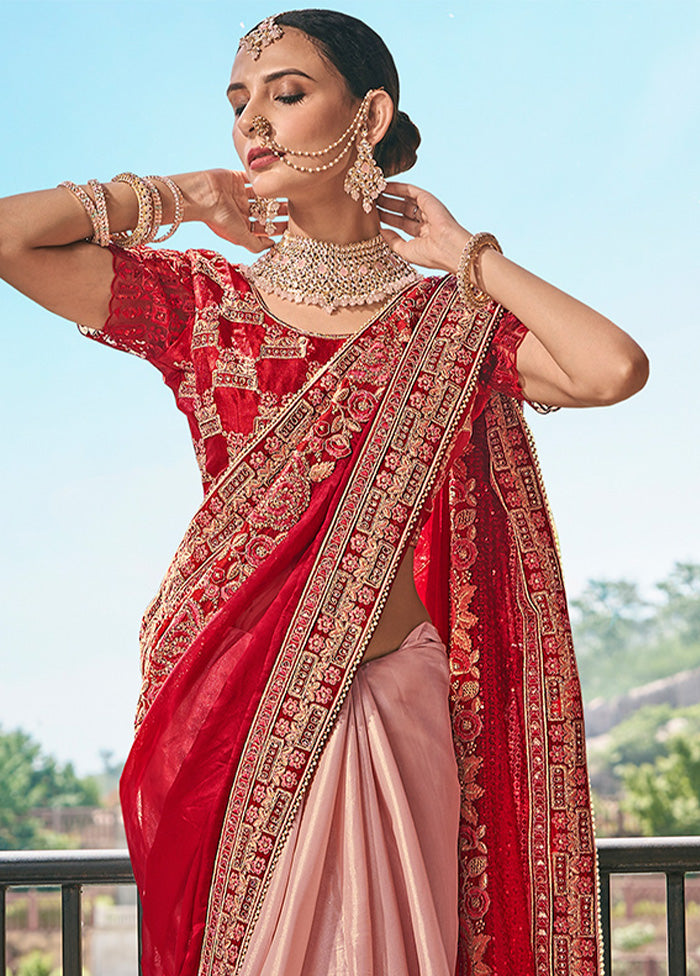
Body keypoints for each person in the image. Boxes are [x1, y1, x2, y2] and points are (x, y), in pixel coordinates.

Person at [0, 9, 648, 976]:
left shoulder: (450, 325)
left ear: (370, 112)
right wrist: (179, 194)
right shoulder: (203, 305)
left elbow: (611, 370)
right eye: (237, 103)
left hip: (401, 713)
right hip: (233, 720)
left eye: (286, 93)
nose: (252, 121)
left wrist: (471, 256)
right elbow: (11, 240)